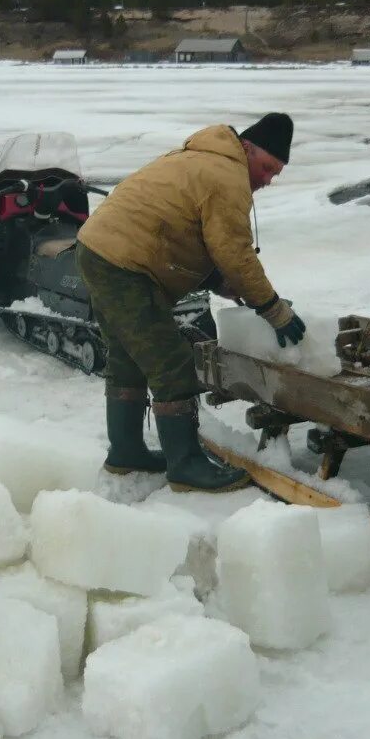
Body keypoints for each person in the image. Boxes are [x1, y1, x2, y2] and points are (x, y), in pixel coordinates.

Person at [76, 113, 307, 493]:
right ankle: (185, 466)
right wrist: (273, 309)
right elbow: (235, 252)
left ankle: (126, 453)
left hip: (99, 251)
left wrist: (215, 280)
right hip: (126, 265)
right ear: (246, 149)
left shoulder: (202, 158)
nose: (267, 180)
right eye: (266, 168)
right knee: (172, 364)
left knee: (127, 359)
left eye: (275, 174)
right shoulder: (227, 177)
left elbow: (185, 228)